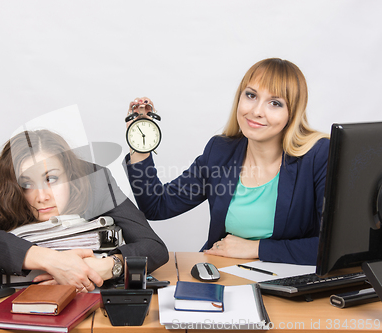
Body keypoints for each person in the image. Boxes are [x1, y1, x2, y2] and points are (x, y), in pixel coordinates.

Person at [125, 58, 329, 265]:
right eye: (251, 95)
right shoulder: (220, 152)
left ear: (292, 113)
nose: (257, 111)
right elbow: (157, 205)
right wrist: (140, 143)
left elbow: (331, 247)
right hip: (224, 273)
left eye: (275, 103)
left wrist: (257, 248)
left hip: (289, 282)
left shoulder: (318, 156)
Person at [0, 129, 168, 292]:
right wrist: (54, 261)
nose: (42, 197)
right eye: (27, 184)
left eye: (51, 179)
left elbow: (153, 246)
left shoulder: (94, 179)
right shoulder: (4, 185)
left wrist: (103, 267)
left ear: (70, 174)